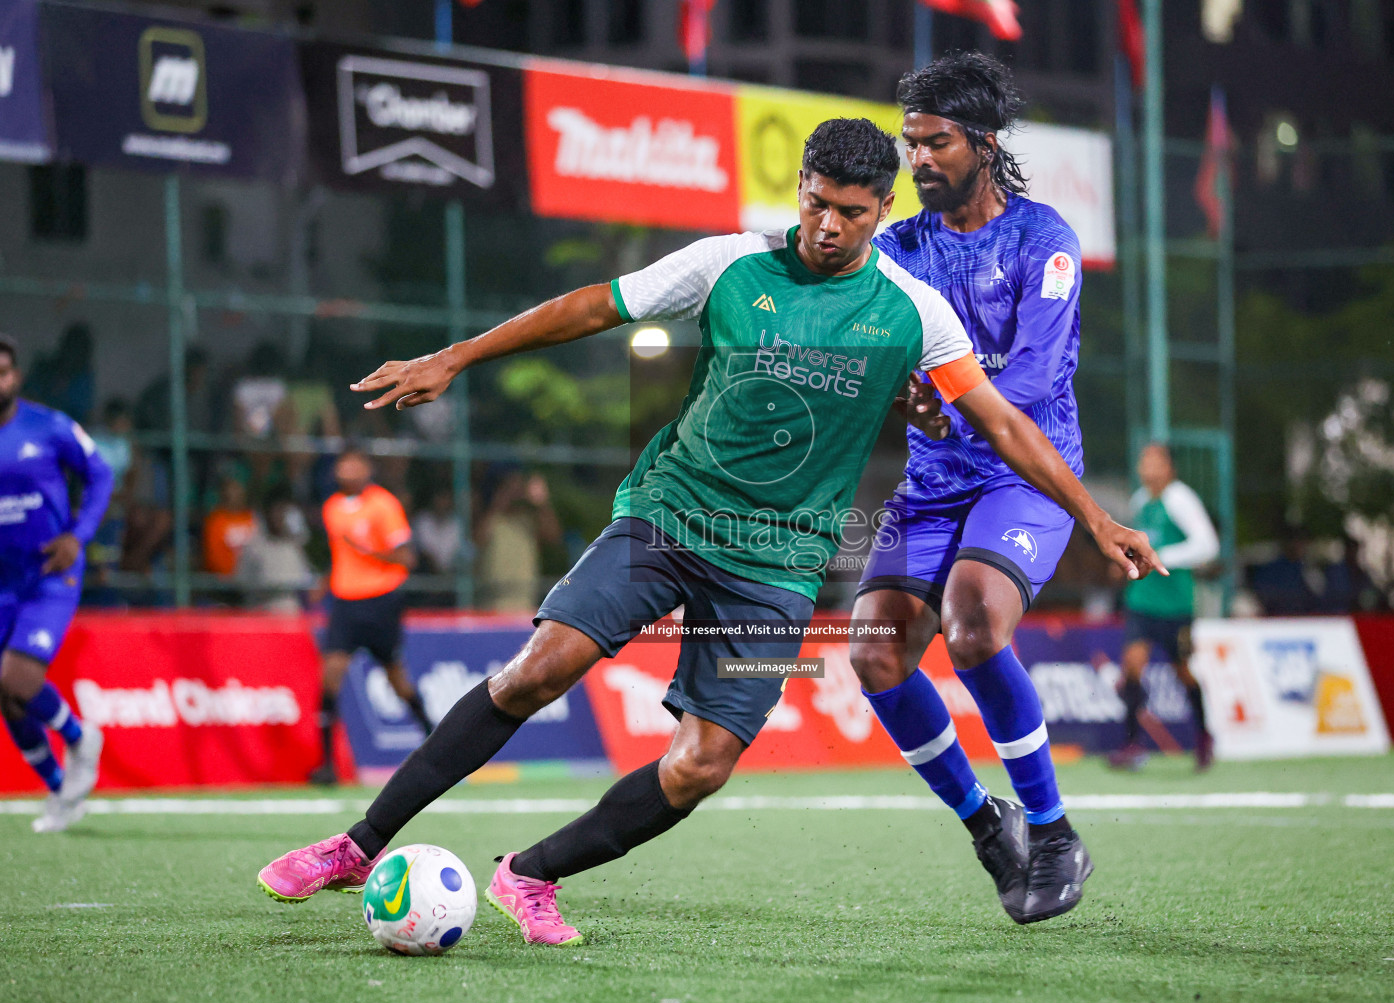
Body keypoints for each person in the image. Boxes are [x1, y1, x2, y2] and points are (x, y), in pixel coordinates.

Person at [257, 119, 1162, 943]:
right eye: (816, 204)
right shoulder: (731, 263)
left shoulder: (914, 312)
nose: (828, 227)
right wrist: (452, 357)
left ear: (882, 210)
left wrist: (1093, 516)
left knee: (699, 767)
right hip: (670, 516)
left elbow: (1003, 422)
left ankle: (530, 877)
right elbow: (592, 306)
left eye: (851, 213)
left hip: (780, 568)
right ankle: (360, 844)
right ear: (800, 189)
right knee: (541, 667)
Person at [846, 53, 1100, 924]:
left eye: (934, 143)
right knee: (875, 653)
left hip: (1025, 472)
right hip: (934, 484)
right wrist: (894, 389)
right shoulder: (898, 249)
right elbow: (867, 353)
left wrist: (940, 401)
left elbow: (1025, 384)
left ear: (984, 144)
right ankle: (987, 828)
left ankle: (1055, 831)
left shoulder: (1044, 241)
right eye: (909, 145)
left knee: (974, 620)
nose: (917, 161)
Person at [0, 333, 111, 832]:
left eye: (3, 371)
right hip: (3, 581)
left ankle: (80, 736)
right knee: (7, 696)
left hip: (50, 574)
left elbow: (100, 474)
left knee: (16, 680)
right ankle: (58, 792)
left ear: (16, 376)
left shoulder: (47, 426)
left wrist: (79, 536)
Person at [310, 447, 432, 785]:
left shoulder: (384, 505)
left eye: (355, 462)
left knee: (396, 680)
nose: (348, 468)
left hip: (381, 601)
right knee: (330, 674)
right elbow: (341, 556)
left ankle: (434, 740)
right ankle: (327, 765)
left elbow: (407, 559)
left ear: (367, 467)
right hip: (346, 603)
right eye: (342, 463)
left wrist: (371, 552)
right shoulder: (332, 507)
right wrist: (325, 582)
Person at [1109, 443, 1220, 772]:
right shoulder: (1140, 501)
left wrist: (1162, 557)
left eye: (1155, 462)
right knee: (1132, 666)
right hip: (1142, 601)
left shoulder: (1180, 499)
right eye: (1144, 462)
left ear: (1169, 468)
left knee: (1183, 672)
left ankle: (1203, 737)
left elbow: (1208, 546)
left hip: (1176, 605)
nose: (1148, 468)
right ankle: (1132, 745)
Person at [476, 470, 561, 611]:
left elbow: (554, 538)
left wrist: (542, 503)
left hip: (525, 604)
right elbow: (477, 540)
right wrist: (502, 499)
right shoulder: (492, 519)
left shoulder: (529, 520)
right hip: (490, 605)